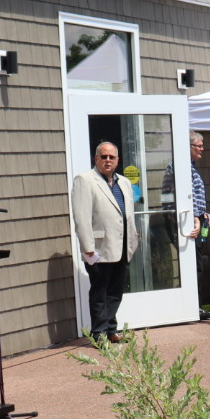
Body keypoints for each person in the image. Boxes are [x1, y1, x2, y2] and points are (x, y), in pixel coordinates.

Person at [71, 141, 139, 345]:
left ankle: (111, 329)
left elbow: (127, 216)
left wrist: (133, 242)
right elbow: (81, 217)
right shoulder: (85, 180)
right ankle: (99, 333)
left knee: (115, 292)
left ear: (118, 161)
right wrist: (88, 249)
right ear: (96, 158)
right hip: (99, 248)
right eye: (103, 156)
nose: (107, 160)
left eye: (111, 157)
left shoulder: (124, 183)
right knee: (100, 292)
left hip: (123, 247)